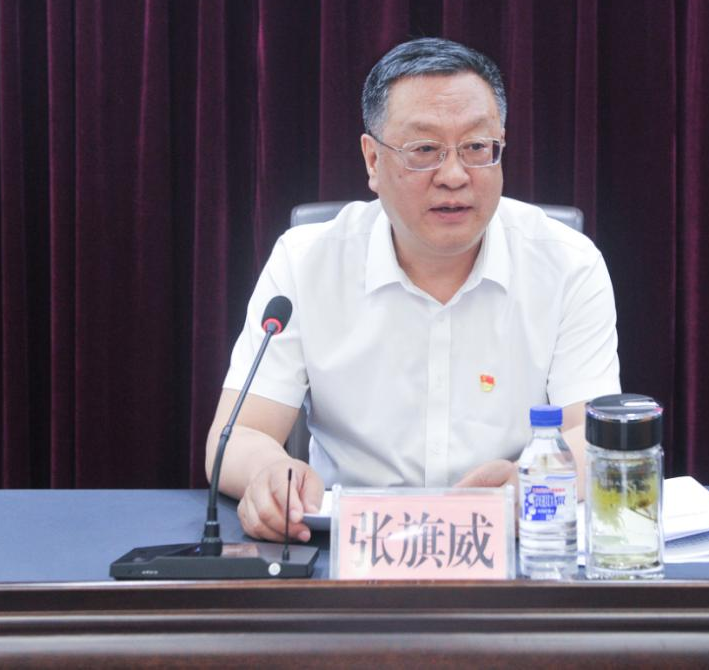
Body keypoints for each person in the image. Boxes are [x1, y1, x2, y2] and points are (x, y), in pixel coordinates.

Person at [206, 37, 619, 542]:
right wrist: (269, 474)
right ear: (372, 160)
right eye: (424, 150)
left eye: (477, 148)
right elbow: (240, 434)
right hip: (348, 553)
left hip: (512, 547)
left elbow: (596, 439)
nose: (454, 176)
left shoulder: (568, 264)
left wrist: (532, 482)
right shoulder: (306, 262)